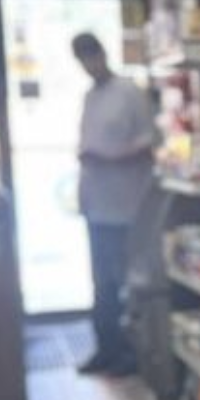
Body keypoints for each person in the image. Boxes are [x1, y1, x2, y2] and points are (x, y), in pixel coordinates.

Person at [73, 32, 156, 377]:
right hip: (98, 203)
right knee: (101, 284)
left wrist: (111, 159)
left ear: (102, 53)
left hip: (127, 205)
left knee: (126, 283)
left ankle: (131, 354)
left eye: (91, 56)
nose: (89, 66)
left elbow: (150, 142)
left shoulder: (129, 92)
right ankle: (105, 348)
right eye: (82, 60)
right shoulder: (90, 96)